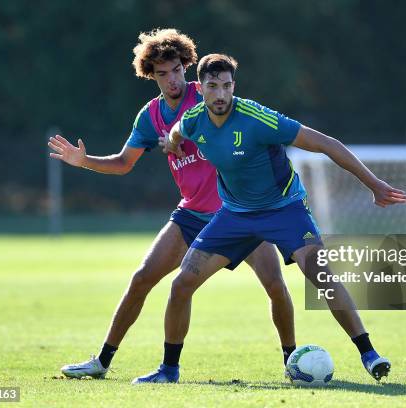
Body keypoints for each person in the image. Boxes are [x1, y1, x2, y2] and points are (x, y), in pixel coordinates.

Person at [142, 53, 406, 383]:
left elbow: (325, 143)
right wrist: (171, 143)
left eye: (227, 86)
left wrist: (374, 184)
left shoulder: (257, 118)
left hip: (285, 210)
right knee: (182, 284)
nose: (221, 94)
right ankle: (169, 370)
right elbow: (179, 130)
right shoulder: (195, 118)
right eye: (213, 86)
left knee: (321, 276)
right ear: (202, 88)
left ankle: (369, 354)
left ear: (233, 86)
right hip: (235, 215)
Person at [48, 30, 296, 382]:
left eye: (177, 70)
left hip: (239, 212)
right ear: (151, 76)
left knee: (274, 284)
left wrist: (183, 134)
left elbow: (234, 126)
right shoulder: (150, 116)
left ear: (187, 67)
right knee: (141, 279)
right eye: (162, 73)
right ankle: (104, 362)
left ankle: (292, 362)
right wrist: (84, 160)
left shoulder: (208, 94)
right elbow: (123, 162)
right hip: (193, 213)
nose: (173, 79)